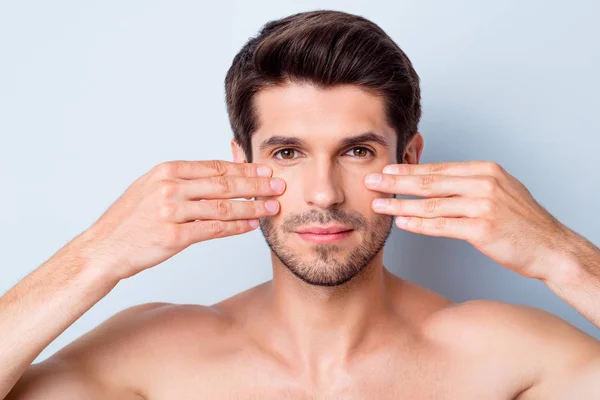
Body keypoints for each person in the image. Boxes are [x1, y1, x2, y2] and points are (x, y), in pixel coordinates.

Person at [2, 9, 600, 399]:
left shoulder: (500, 358)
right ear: (242, 165)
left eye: (358, 151)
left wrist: (564, 257)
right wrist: (94, 257)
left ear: (409, 160)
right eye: (288, 153)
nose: (324, 193)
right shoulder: (155, 358)